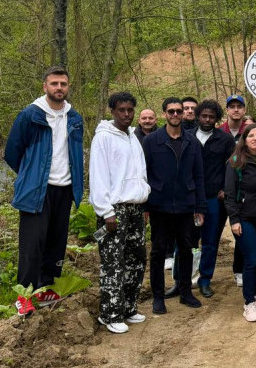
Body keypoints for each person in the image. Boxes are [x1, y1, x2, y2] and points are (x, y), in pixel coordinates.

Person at [5, 66, 84, 317]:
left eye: (63, 84)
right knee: (32, 244)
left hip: (65, 188)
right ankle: (24, 295)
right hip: (37, 190)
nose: (59, 88)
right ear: (45, 86)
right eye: (54, 84)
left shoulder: (74, 118)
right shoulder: (30, 115)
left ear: (68, 87)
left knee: (56, 242)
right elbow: (12, 153)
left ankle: (45, 287)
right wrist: (31, 176)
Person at [89, 92, 151, 333]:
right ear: (112, 111)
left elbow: (140, 171)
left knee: (136, 259)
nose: (126, 114)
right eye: (121, 110)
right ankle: (110, 313)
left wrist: (143, 196)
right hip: (114, 209)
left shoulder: (132, 137)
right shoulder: (103, 138)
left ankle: (128, 307)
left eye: (130, 110)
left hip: (135, 206)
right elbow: (98, 176)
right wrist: (106, 211)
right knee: (113, 262)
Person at [142, 97, 207, 314]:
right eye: (171, 111)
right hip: (159, 206)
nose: (176, 115)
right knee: (159, 252)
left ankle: (186, 291)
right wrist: (145, 207)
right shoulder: (151, 141)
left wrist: (200, 207)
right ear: (164, 114)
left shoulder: (192, 142)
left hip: (186, 205)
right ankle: (158, 297)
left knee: (186, 249)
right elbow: (144, 174)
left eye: (179, 111)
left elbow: (199, 176)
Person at [223, 124, 256, 322]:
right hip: (246, 218)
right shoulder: (235, 161)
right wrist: (234, 220)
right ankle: (247, 304)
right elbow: (229, 194)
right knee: (251, 260)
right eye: (251, 135)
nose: (255, 139)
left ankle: (254, 296)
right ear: (244, 139)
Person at [192, 100, 236, 298]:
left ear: (217, 119)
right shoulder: (187, 137)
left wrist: (225, 189)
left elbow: (232, 166)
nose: (207, 119)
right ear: (197, 116)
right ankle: (182, 280)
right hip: (189, 199)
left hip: (213, 198)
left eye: (211, 117)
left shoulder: (225, 140)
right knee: (185, 242)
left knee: (210, 241)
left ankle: (205, 280)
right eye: (204, 116)